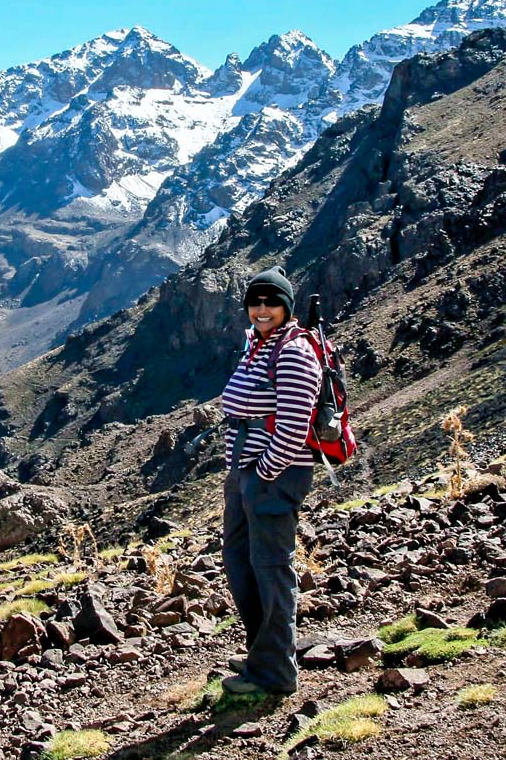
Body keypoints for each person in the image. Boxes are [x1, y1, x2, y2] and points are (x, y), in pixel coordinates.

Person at [220, 265, 321, 695]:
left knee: (270, 568)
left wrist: (262, 474)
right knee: (241, 563)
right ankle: (264, 653)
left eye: (271, 302)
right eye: (255, 301)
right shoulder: (258, 345)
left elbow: (295, 425)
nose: (262, 309)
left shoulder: (295, 352)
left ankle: (275, 673)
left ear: (286, 307)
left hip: (274, 476)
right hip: (246, 473)